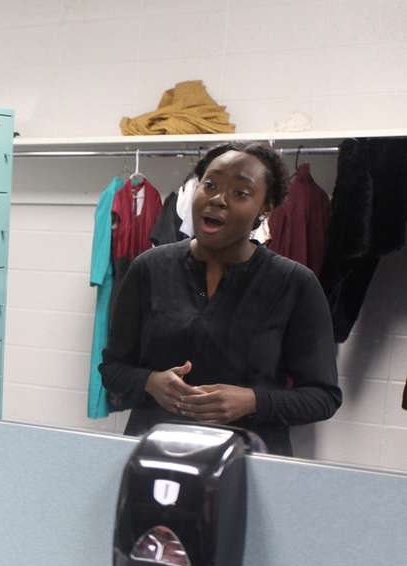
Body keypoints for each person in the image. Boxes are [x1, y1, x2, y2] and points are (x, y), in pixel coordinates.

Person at [99, 142, 342, 456]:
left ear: (265, 209)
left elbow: (323, 397)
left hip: (251, 465)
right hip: (158, 458)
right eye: (209, 185)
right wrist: (150, 382)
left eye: (240, 193)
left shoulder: (294, 283)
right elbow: (112, 369)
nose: (217, 200)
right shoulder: (149, 268)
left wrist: (252, 401)